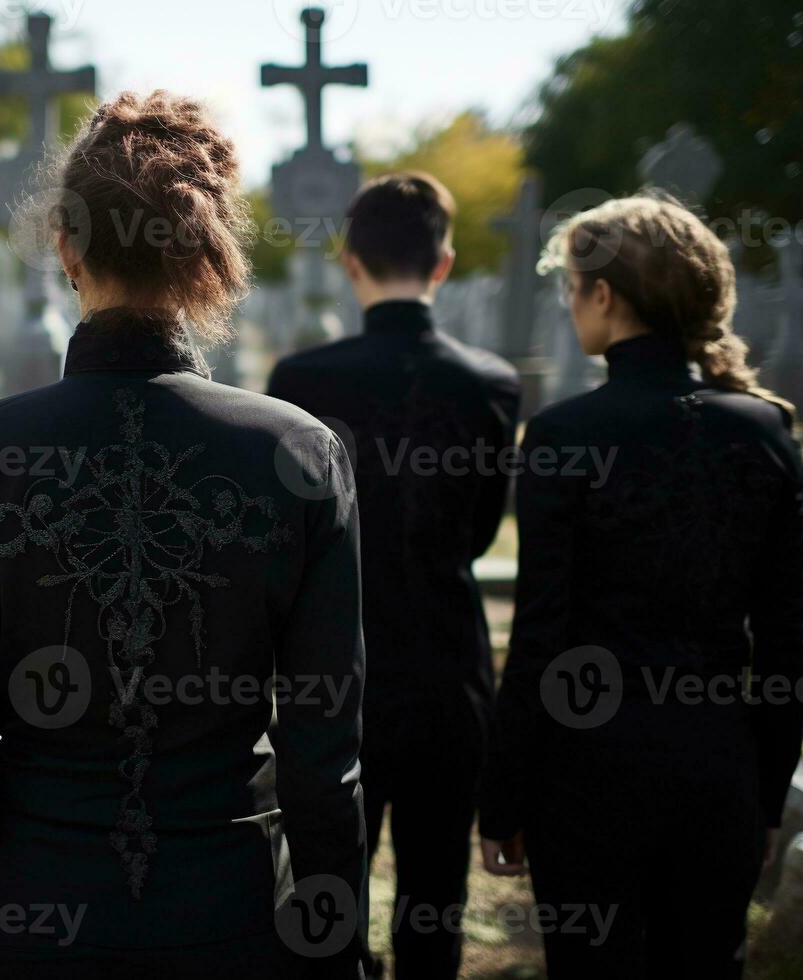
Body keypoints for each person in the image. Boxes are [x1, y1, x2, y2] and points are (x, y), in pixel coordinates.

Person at [0, 90, 368, 980]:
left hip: (30, 921)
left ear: (66, 248)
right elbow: (324, 754)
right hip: (235, 920)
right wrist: (337, 949)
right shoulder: (299, 453)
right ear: (207, 249)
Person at [479, 195, 803, 978]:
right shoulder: (763, 431)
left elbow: (541, 638)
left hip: (588, 776)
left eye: (570, 287)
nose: (568, 305)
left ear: (603, 295)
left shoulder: (564, 435)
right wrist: (767, 795)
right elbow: (786, 638)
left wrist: (503, 796)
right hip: (718, 770)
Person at [268, 172, 521, 980]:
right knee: (434, 911)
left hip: (332, 680)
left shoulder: (300, 384)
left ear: (350, 262)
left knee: (325, 905)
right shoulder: (491, 385)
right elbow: (480, 530)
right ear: (443, 264)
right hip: (449, 671)